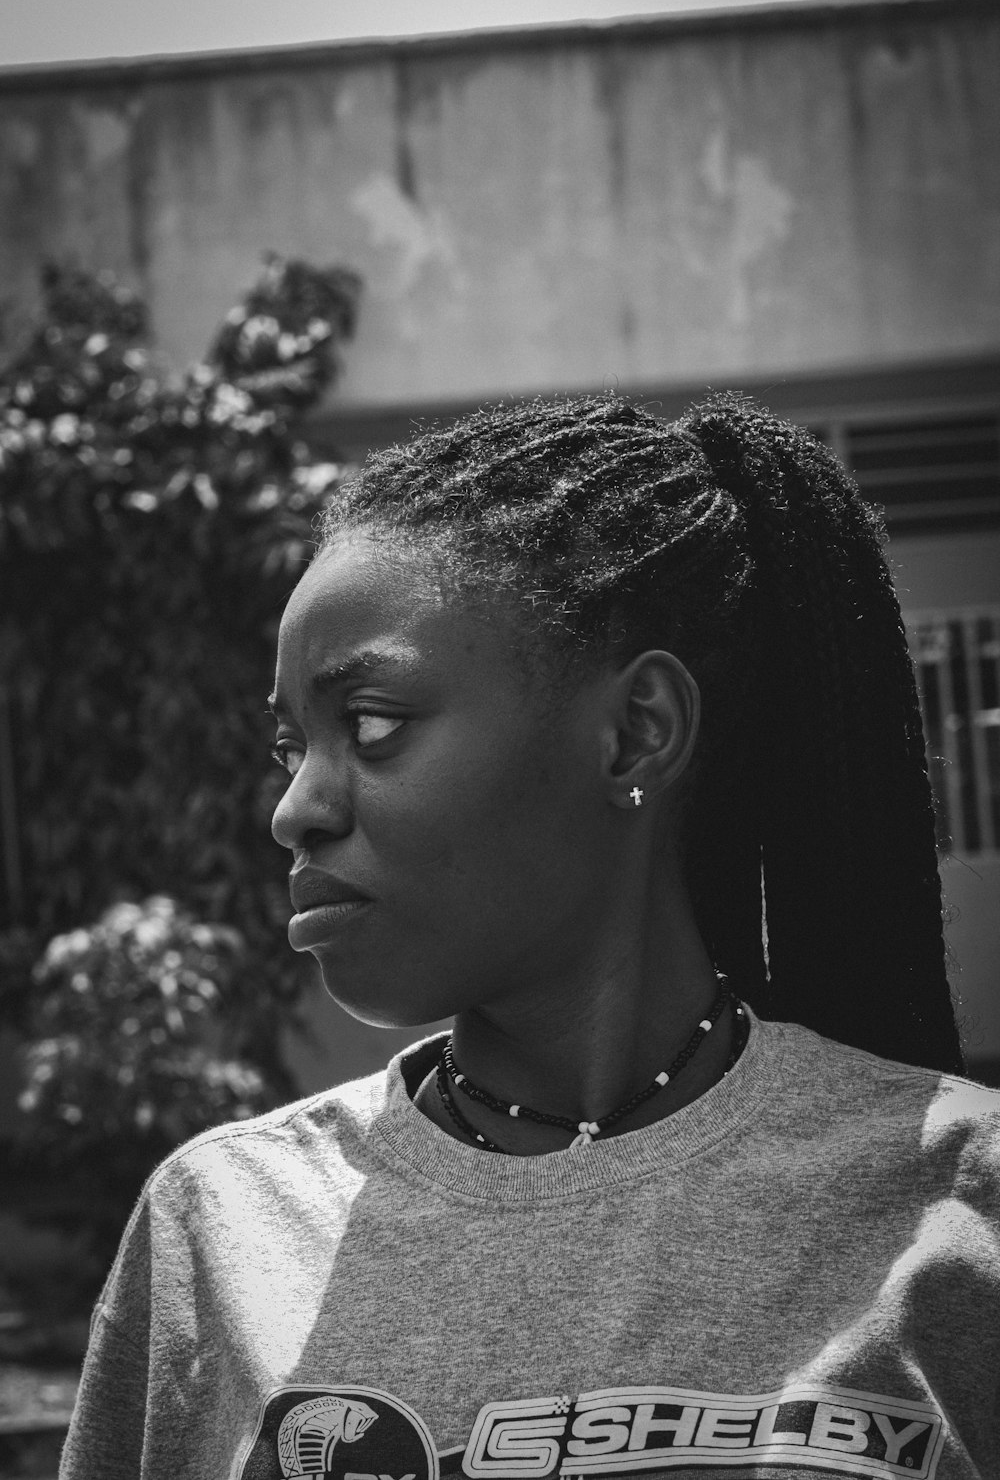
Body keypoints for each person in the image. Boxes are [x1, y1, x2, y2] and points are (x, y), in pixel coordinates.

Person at [60, 394, 999, 1480]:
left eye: (370, 723)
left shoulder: (960, 1200)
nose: (295, 809)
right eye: (290, 748)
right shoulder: (222, 1223)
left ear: (634, 733)